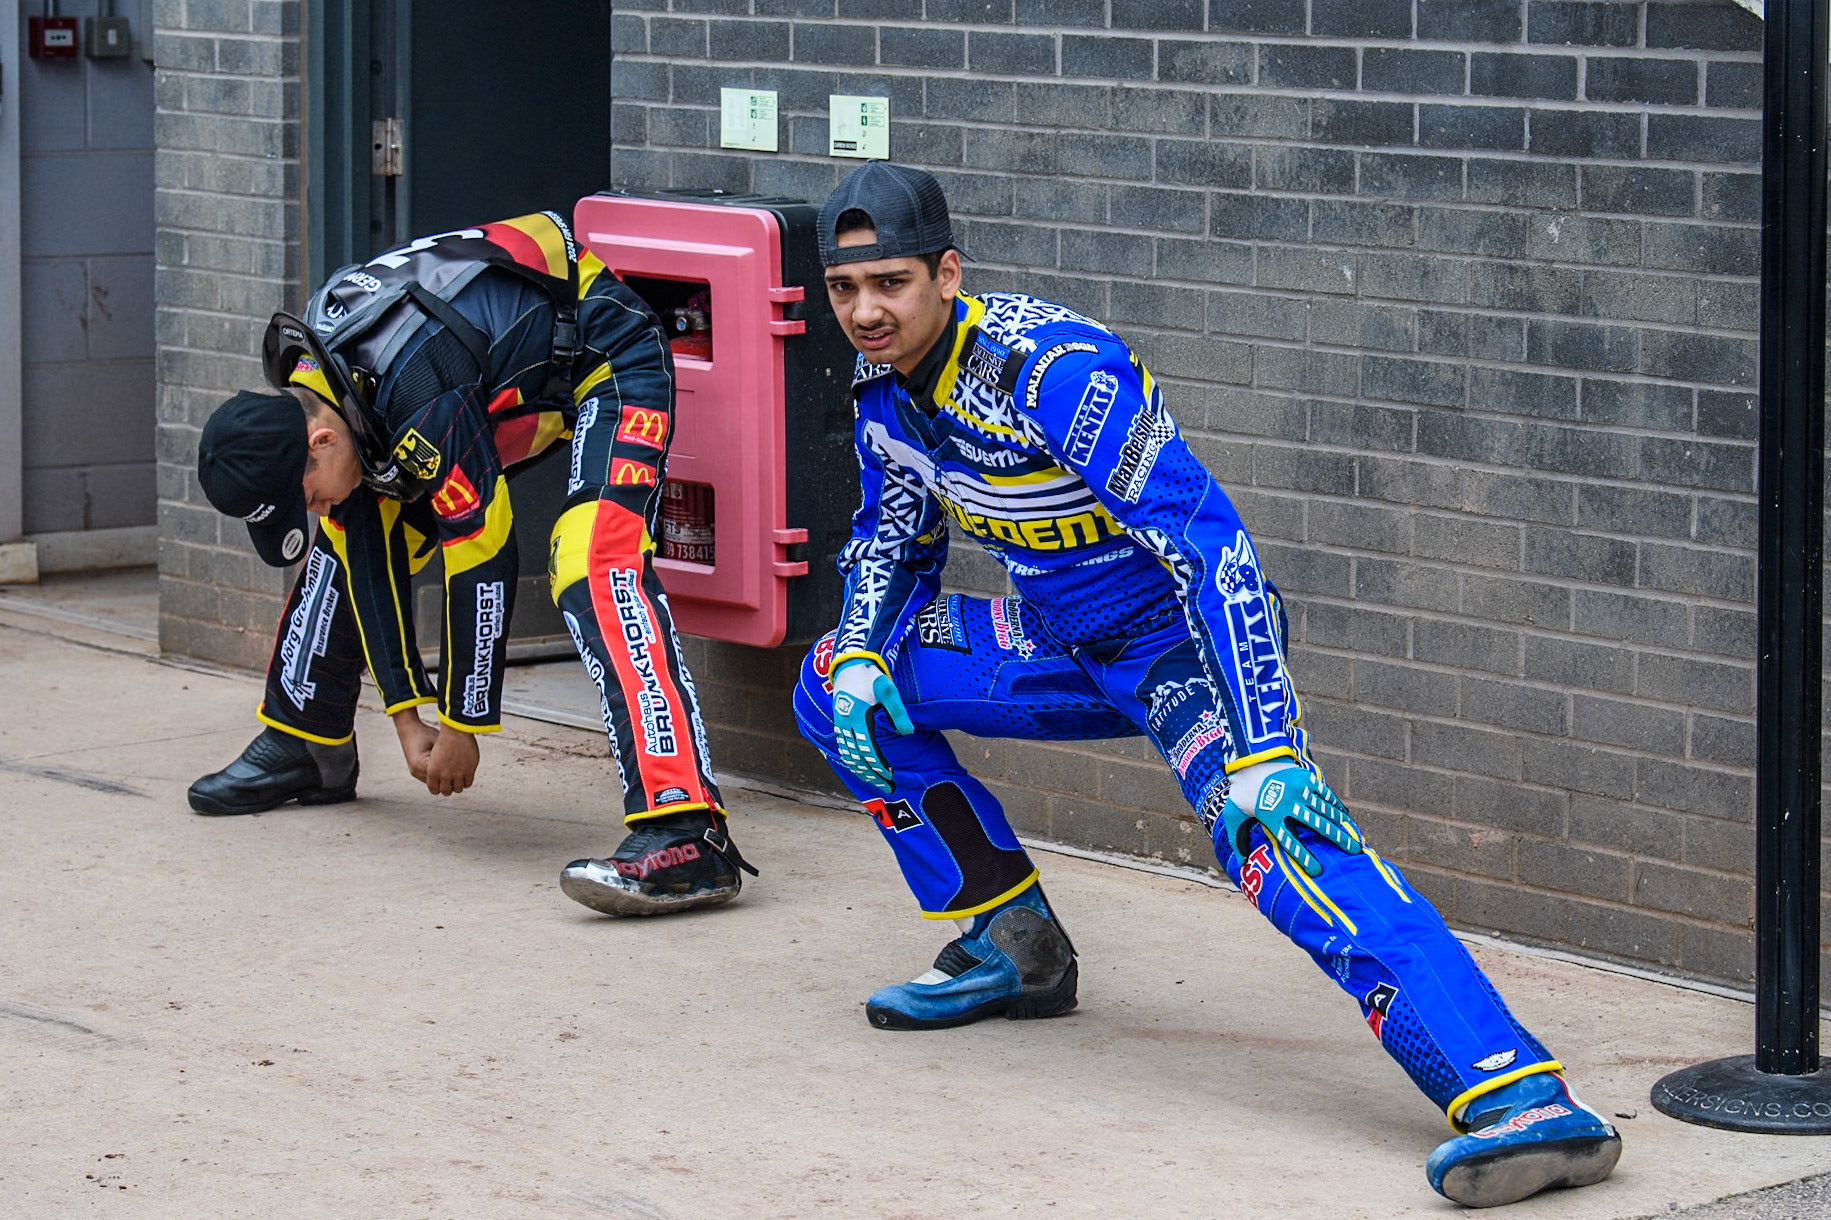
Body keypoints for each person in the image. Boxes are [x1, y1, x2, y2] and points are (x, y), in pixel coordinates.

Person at [792, 162, 1620, 1208]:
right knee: (833, 685)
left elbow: (1209, 543)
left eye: (893, 283)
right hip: (1051, 641)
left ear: (947, 273)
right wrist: (866, 643)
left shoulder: (1049, 369)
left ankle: (1520, 1098)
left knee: (1269, 831)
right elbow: (888, 539)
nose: (866, 310)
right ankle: (1015, 944)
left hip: (1180, 648)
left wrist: (1265, 744)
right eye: (844, 289)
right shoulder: (882, 393)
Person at [188, 210, 755, 916]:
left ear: (322, 440)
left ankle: (685, 828)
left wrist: (460, 725)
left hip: (605, 356)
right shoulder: (321, 383)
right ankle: (308, 744)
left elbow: (482, 555)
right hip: (494, 381)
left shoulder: (415, 388)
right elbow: (366, 546)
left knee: (591, 563)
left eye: (299, 493)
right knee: (343, 538)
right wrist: (404, 716)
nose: (306, 507)